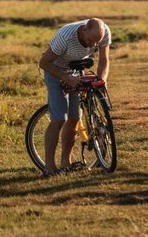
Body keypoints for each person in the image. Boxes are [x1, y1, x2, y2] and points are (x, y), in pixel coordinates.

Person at [37, 17, 111, 176]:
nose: (94, 45)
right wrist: (65, 77)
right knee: (59, 118)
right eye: (91, 41)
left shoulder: (103, 33)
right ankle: (49, 168)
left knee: (74, 118)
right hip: (55, 69)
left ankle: (66, 163)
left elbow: (104, 60)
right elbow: (43, 63)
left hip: (77, 68)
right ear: (84, 30)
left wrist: (102, 80)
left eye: (97, 42)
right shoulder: (65, 37)